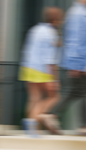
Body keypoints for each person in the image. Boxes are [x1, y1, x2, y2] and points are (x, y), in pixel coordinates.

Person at [45, 0, 86, 135]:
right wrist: (75, 64)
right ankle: (55, 116)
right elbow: (74, 40)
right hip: (80, 62)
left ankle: (82, 123)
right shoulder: (79, 13)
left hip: (83, 62)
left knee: (80, 93)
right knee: (79, 93)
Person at [18, 7, 63, 138]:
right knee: (54, 97)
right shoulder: (51, 34)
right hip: (41, 70)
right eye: (60, 20)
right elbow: (50, 59)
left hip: (27, 67)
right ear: (55, 20)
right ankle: (32, 122)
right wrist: (54, 79)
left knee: (34, 98)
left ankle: (30, 128)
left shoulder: (35, 29)